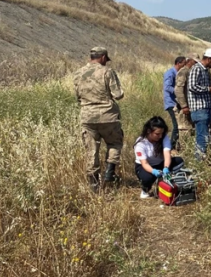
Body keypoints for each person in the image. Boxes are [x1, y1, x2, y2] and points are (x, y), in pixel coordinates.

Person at [73, 46, 124, 192]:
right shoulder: (107, 72)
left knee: (91, 150)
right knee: (114, 143)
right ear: (103, 57)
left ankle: (94, 184)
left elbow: (78, 96)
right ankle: (109, 173)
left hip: (87, 116)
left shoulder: (78, 73)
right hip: (108, 116)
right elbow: (118, 94)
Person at [134, 116, 185, 199]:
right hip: (145, 166)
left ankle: (167, 180)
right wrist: (154, 171)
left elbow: (167, 155)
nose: (160, 136)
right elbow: (144, 163)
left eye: (162, 133)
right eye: (157, 134)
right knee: (147, 178)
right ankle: (145, 190)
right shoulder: (141, 143)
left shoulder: (164, 137)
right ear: (149, 131)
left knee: (179, 161)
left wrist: (166, 168)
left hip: (161, 163)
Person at [188, 48, 211, 159]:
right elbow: (192, 86)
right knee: (202, 137)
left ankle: (206, 157)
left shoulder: (206, 71)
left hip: (207, 108)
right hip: (200, 109)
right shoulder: (196, 68)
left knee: (207, 136)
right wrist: (208, 89)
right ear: (209, 59)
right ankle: (199, 161)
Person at [163, 56, 186, 149]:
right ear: (178, 63)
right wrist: (179, 92)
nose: (185, 66)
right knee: (176, 125)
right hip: (171, 103)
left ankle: (177, 145)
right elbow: (167, 87)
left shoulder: (178, 73)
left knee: (180, 125)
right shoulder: (170, 73)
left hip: (176, 102)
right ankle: (171, 147)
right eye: (184, 64)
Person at [174, 55, 198, 142]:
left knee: (192, 130)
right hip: (184, 108)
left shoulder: (192, 72)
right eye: (195, 62)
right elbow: (178, 90)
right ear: (190, 61)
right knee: (185, 130)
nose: (196, 64)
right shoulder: (183, 72)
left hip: (191, 106)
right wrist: (184, 106)